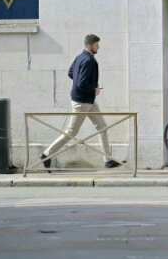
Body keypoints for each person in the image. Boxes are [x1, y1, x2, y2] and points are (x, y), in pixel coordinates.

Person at [40, 34, 121, 170]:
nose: (98, 47)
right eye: (96, 45)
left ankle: (108, 160)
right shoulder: (88, 60)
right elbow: (81, 83)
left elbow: (71, 73)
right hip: (82, 102)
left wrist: (86, 85)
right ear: (89, 46)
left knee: (102, 127)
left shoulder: (79, 57)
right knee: (72, 132)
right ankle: (46, 154)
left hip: (88, 101)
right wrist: (94, 89)